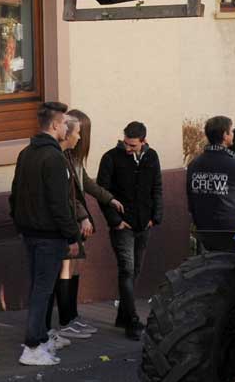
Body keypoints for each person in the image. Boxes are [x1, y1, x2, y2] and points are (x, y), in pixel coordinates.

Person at [9, 101, 80, 366]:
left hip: (30, 233)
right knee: (42, 290)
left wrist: (20, 224)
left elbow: (14, 195)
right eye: (63, 123)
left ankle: (39, 337)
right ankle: (33, 346)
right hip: (49, 236)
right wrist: (72, 235)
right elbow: (59, 204)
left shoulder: (26, 153)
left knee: (39, 287)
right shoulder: (53, 158)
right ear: (54, 125)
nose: (66, 128)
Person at [51, 109, 120, 339]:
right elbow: (68, 193)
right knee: (65, 268)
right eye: (79, 132)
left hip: (75, 219)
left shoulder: (73, 156)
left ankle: (72, 316)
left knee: (74, 267)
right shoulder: (62, 156)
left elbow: (85, 183)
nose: (80, 137)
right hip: (67, 220)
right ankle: (66, 319)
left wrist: (108, 198)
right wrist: (83, 216)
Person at [97, 120, 163, 339]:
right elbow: (102, 192)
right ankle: (132, 321)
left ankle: (122, 316)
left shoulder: (151, 157)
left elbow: (157, 187)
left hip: (144, 223)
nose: (127, 148)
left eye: (132, 145)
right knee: (126, 269)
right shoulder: (110, 158)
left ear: (143, 142)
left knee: (134, 271)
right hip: (122, 225)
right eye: (125, 143)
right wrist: (115, 221)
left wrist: (155, 217)